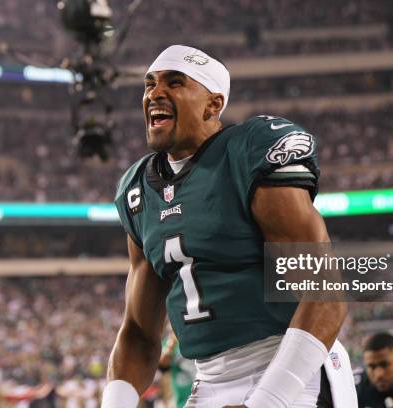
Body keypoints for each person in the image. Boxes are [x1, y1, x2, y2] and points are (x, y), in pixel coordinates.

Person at [103, 44, 357, 408]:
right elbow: (140, 333)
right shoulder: (138, 190)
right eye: (149, 84)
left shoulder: (250, 151)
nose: (155, 93)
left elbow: (325, 296)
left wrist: (267, 402)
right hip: (206, 379)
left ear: (213, 104)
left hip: (291, 371)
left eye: (174, 83)